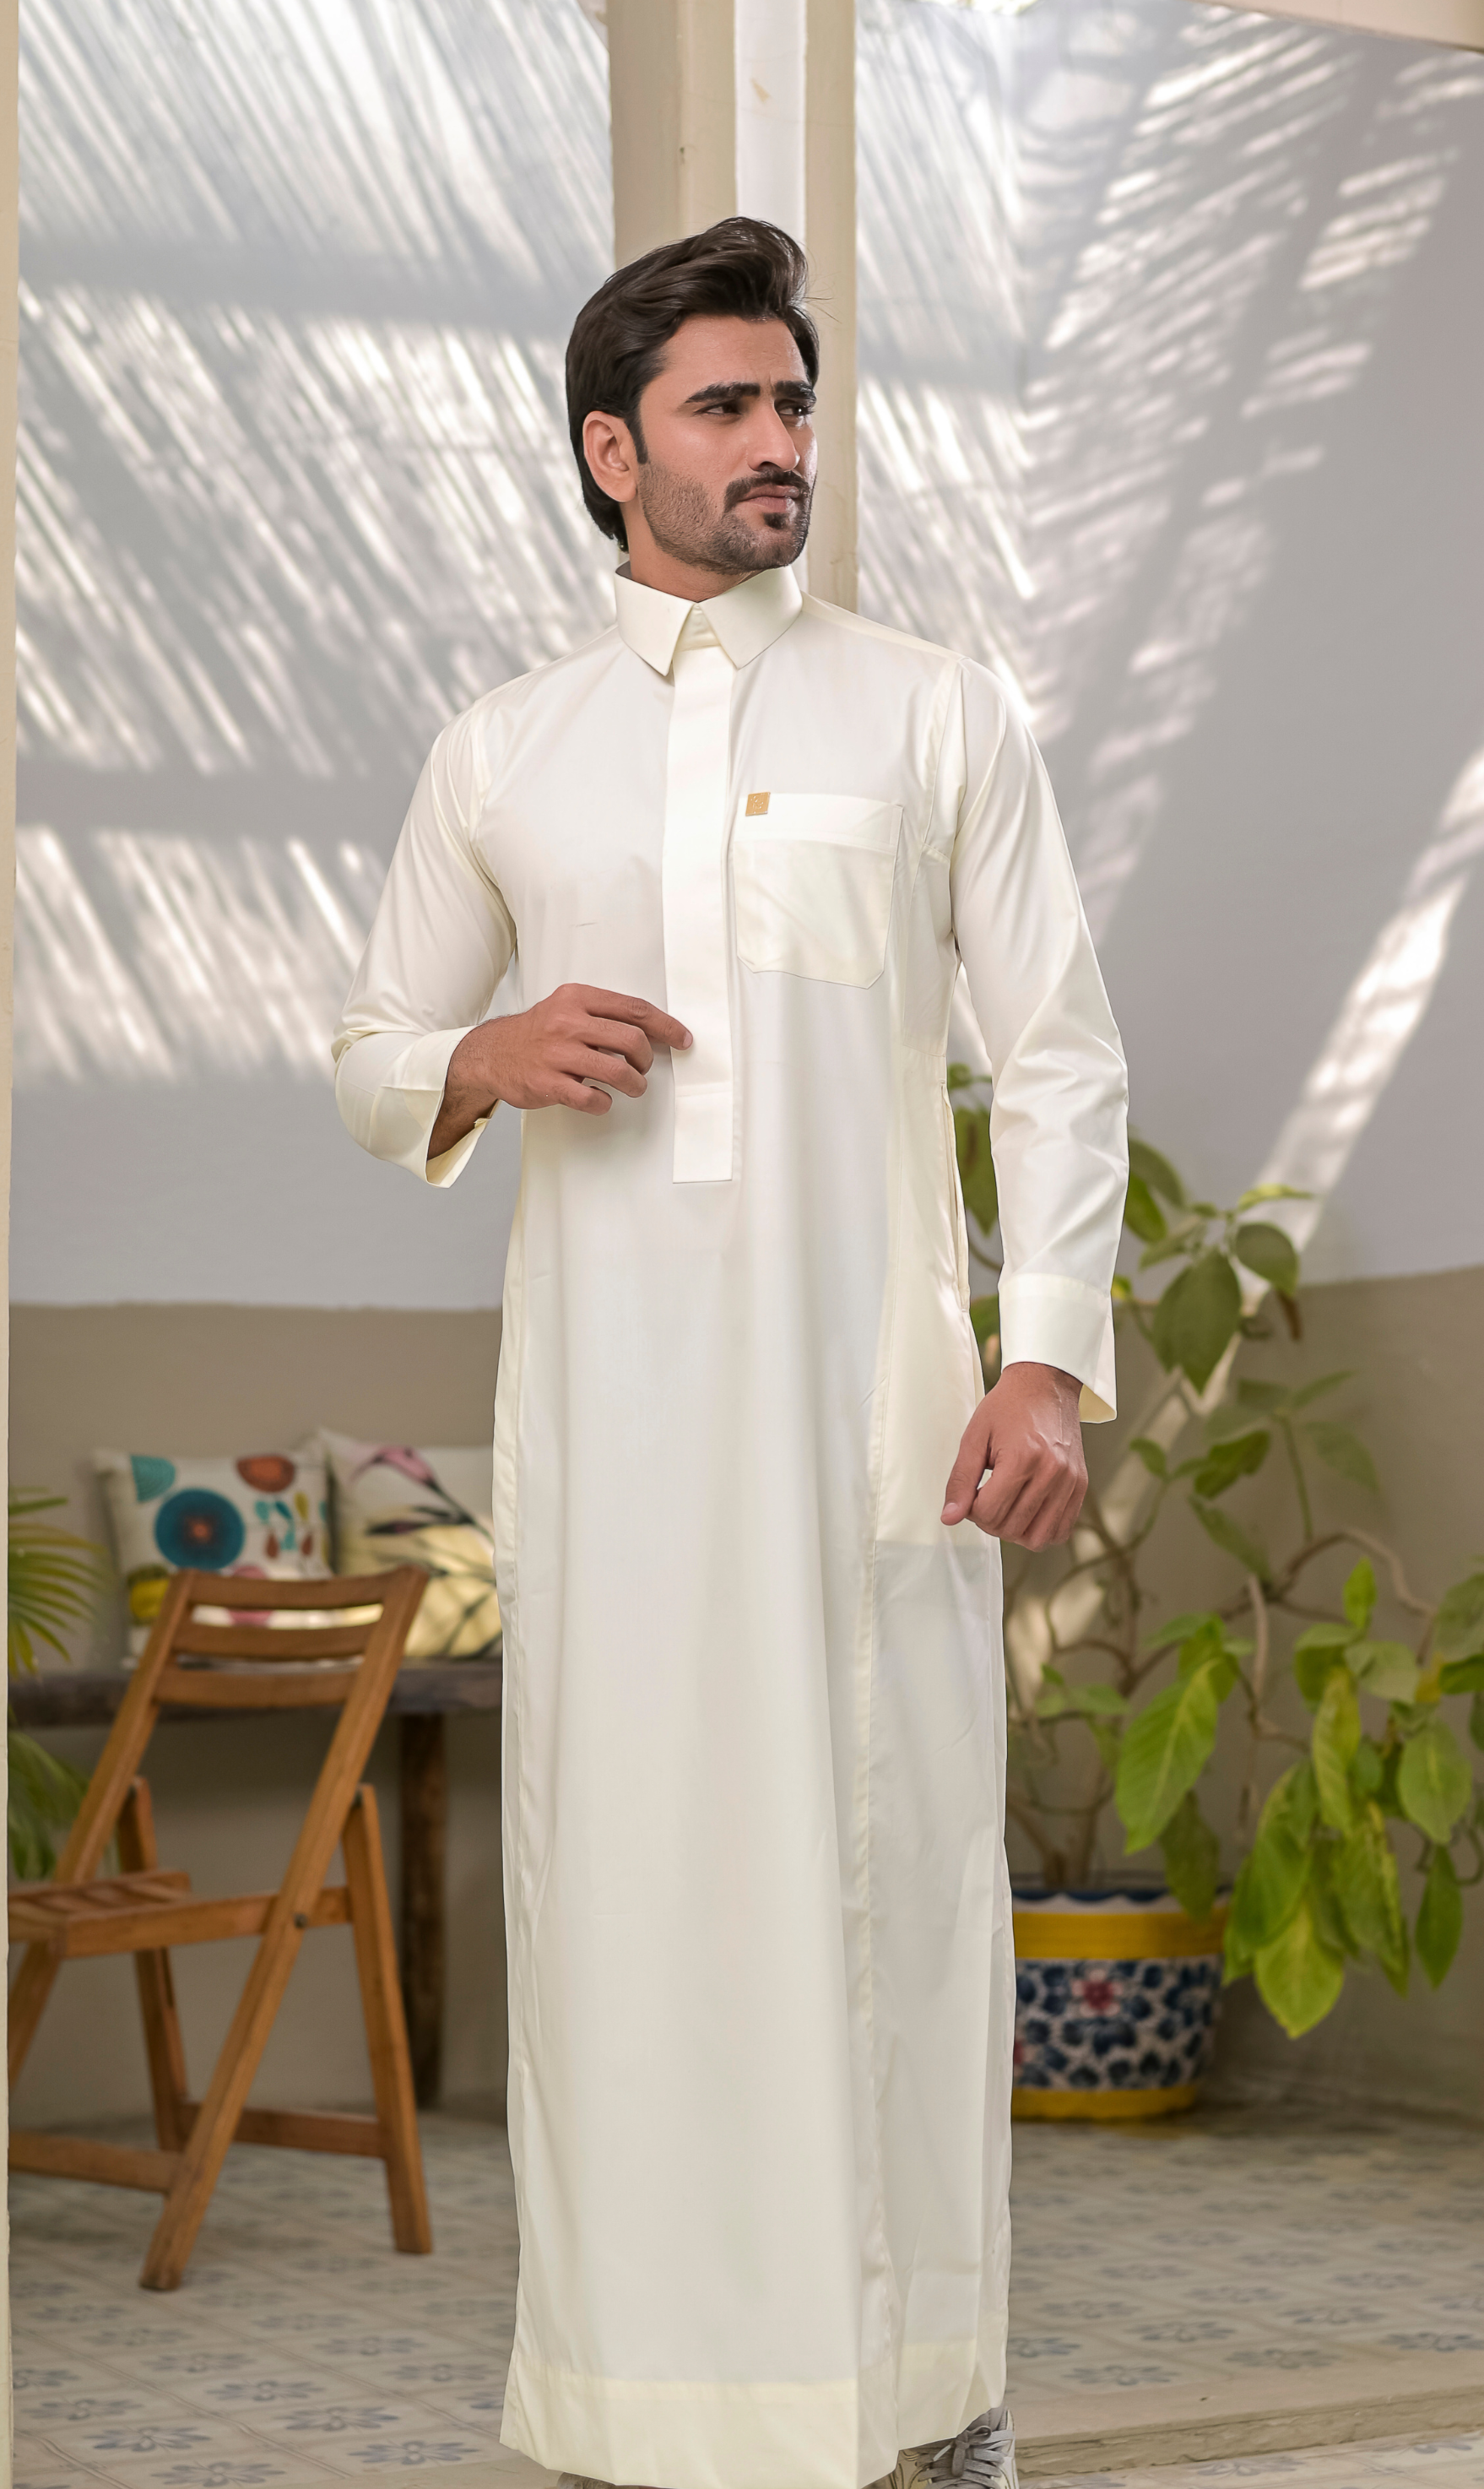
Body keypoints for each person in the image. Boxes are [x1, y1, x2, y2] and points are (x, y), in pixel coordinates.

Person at [333, 218, 1128, 2489]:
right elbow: (371, 1045)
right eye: (724, 406)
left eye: (793, 402)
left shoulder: (931, 710)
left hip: (872, 1431)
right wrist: (479, 1054)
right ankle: (633, 2415)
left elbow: (1057, 1056)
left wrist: (1044, 1361)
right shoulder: (506, 752)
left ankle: (917, 2408)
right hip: (613, 1437)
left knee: (888, 1892)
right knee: (626, 1903)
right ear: (614, 450)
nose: (779, 440)